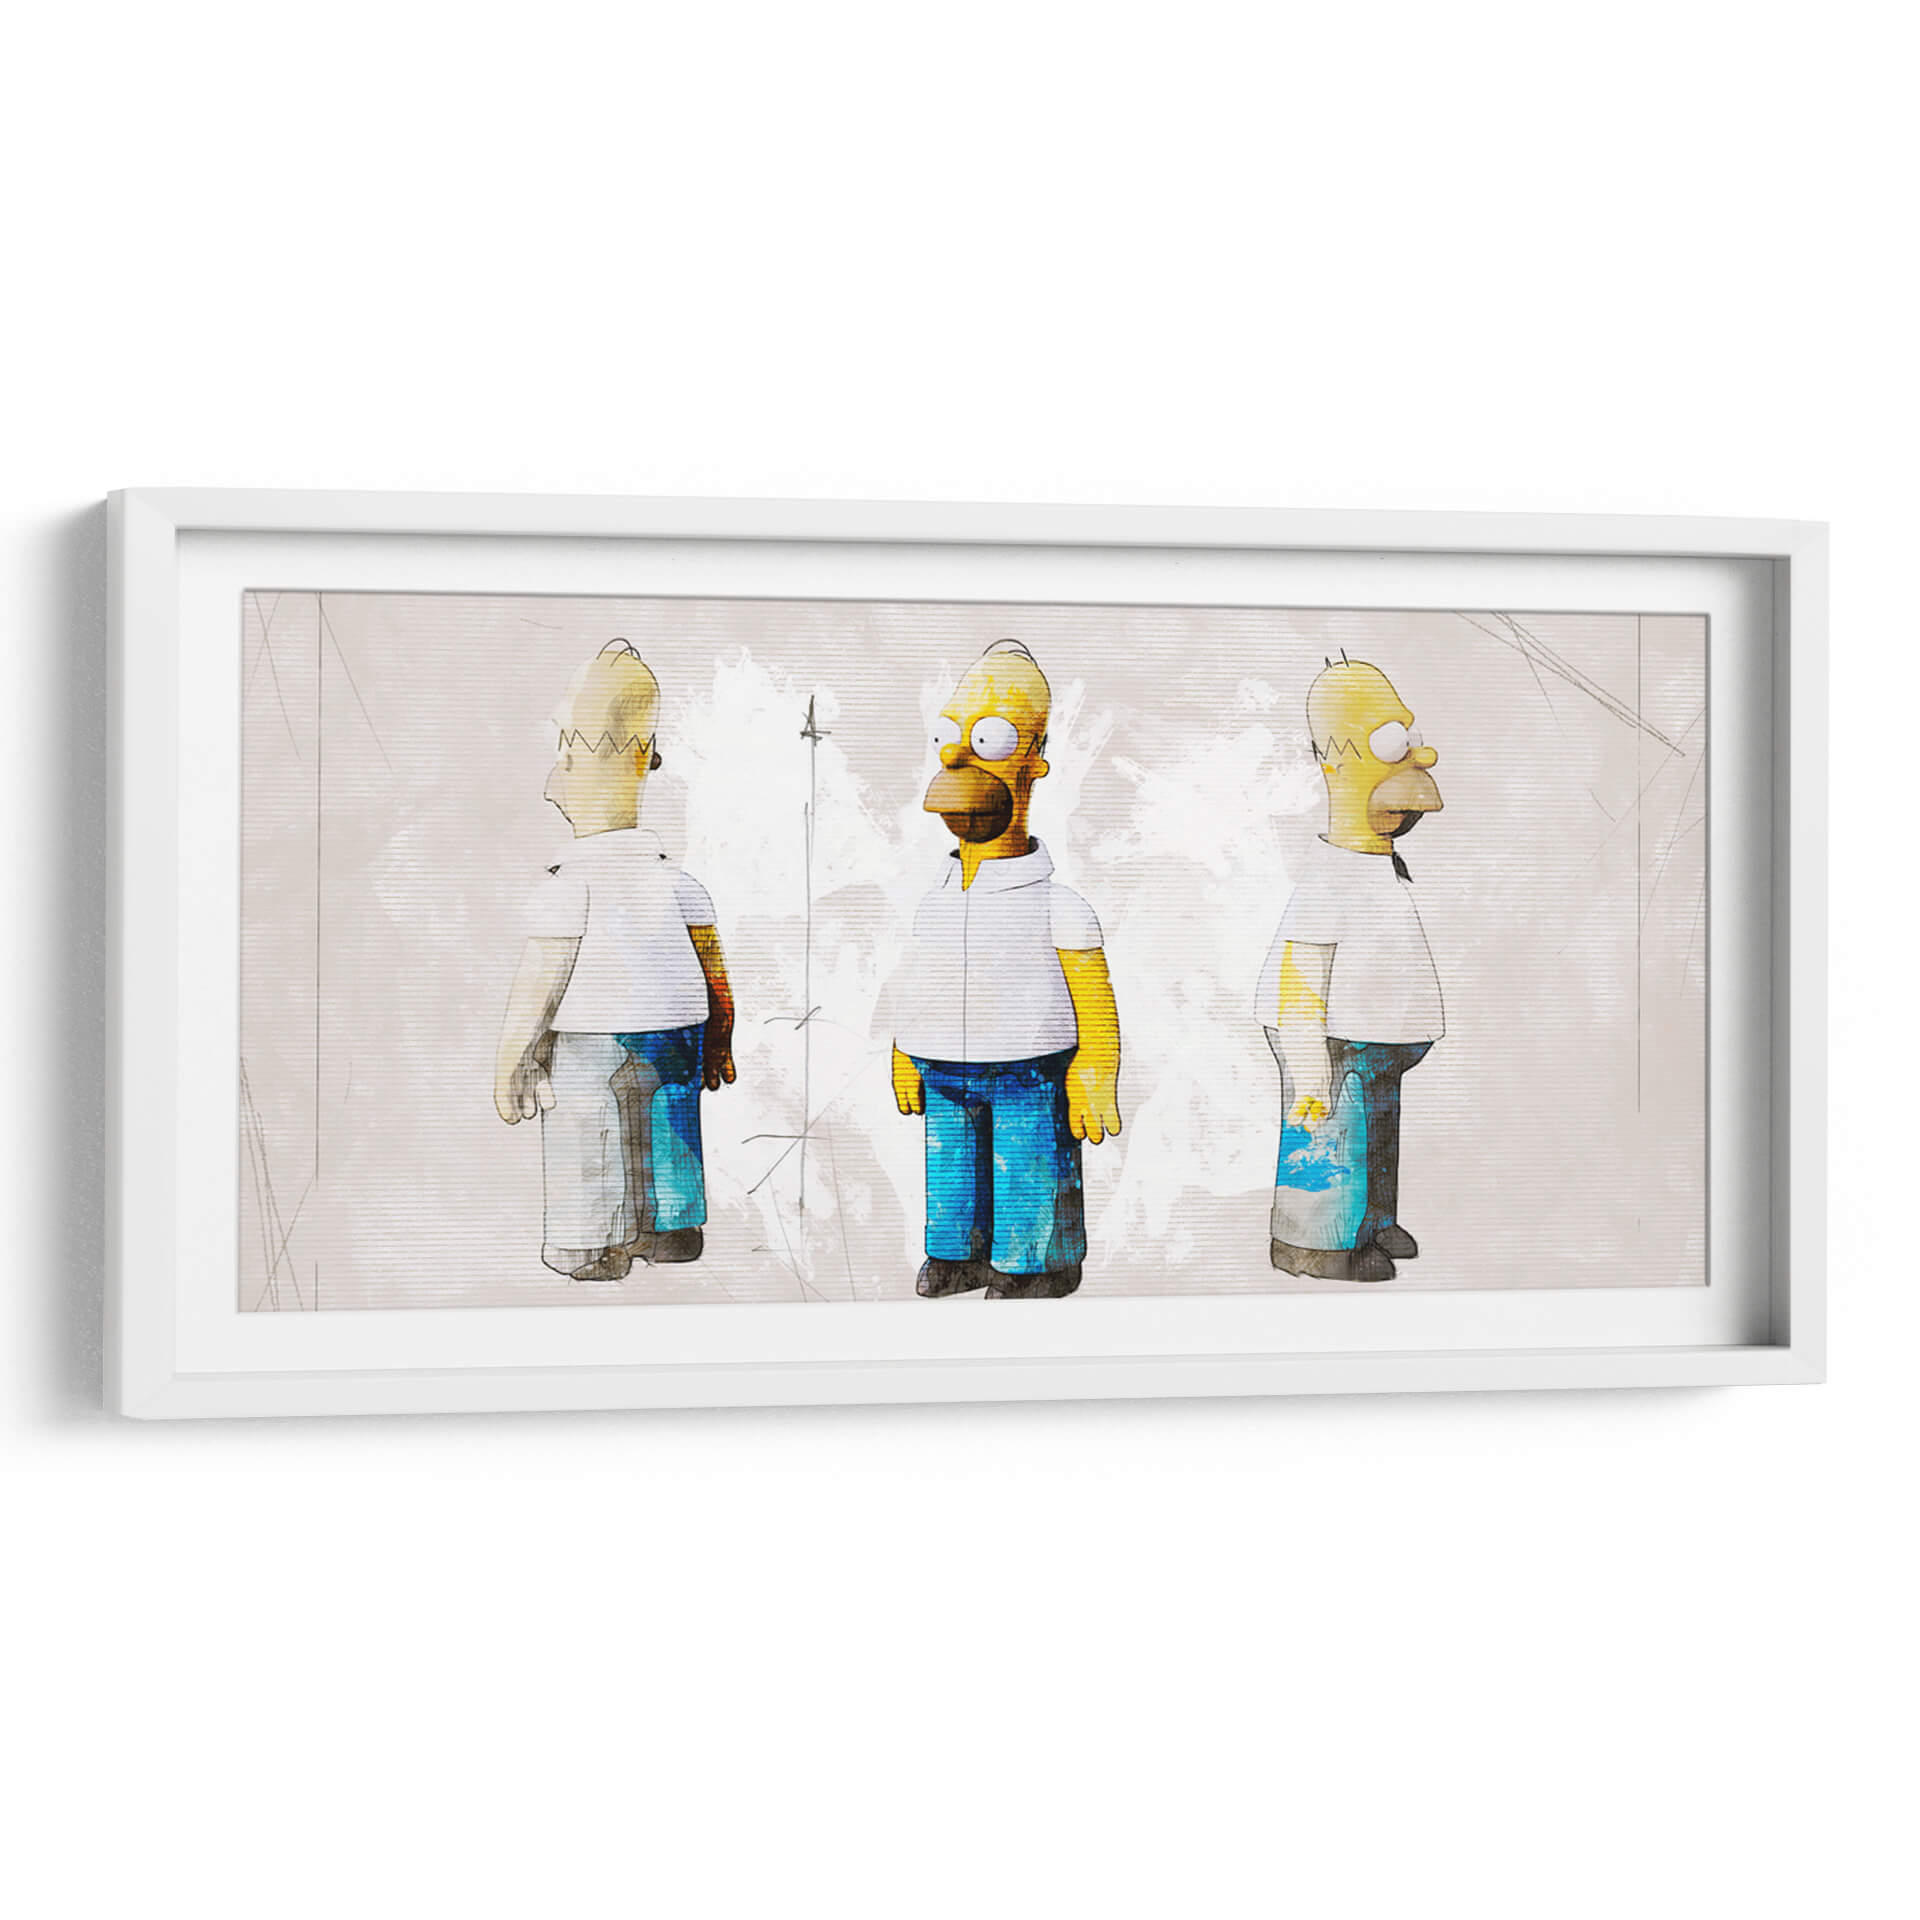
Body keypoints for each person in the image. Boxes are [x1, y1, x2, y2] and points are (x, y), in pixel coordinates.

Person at [493, 641, 736, 1280]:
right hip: (678, 1034)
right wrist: (720, 1035)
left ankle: (587, 1241)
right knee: (670, 1119)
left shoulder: (566, 889)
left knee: (587, 1131)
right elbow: (715, 970)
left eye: (567, 756)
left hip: (590, 1038)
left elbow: (539, 984)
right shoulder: (681, 885)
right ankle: (671, 1226)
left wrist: (511, 1058)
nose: (553, 781)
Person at [890, 640, 1122, 1299]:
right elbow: (918, 980)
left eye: (988, 739)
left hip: (1030, 1070)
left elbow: (1093, 997)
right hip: (941, 1068)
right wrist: (904, 1051)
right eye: (949, 737)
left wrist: (1096, 1065)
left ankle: (1035, 1265)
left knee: (1029, 1166)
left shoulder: (1059, 907)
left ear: (1034, 758)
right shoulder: (935, 899)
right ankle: (956, 1254)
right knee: (951, 1170)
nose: (956, 757)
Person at [1256, 658, 1444, 1282]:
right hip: (1330, 1038)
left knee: (1376, 1127)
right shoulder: (1327, 882)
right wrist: (1307, 1058)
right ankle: (1316, 1244)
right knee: (1330, 1132)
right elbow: (1302, 974)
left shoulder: (1377, 868)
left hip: (1378, 1038)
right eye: (1389, 742)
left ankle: (1372, 1220)